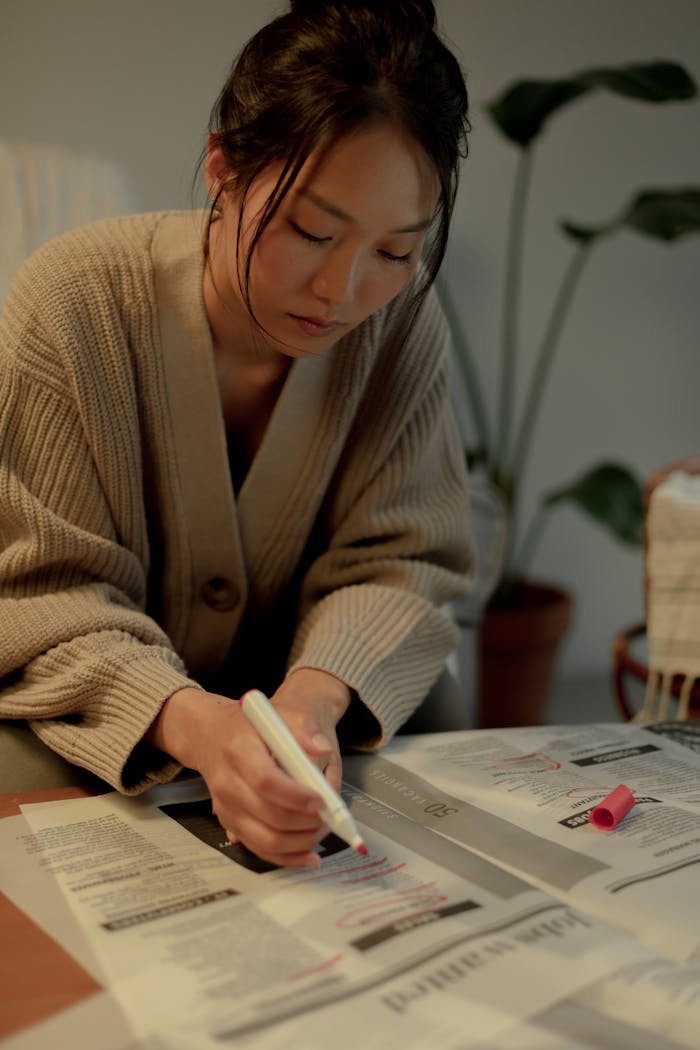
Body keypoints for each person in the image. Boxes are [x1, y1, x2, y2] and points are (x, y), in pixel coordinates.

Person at [0, 0, 473, 867]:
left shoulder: (402, 326)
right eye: (311, 230)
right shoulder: (75, 302)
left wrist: (314, 701)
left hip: (310, 719)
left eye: (396, 252)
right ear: (222, 167)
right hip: (108, 716)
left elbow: (405, 561)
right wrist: (201, 726)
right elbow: (41, 595)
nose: (343, 289)